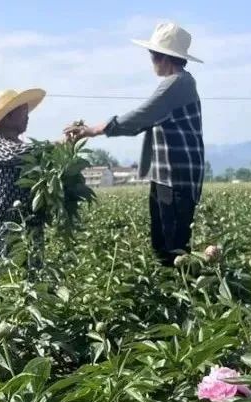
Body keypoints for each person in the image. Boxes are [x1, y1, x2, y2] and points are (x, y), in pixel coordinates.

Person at [66, 22, 203, 266]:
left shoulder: (177, 84)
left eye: (153, 56)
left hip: (176, 179)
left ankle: (181, 296)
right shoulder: (178, 83)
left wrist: (94, 130)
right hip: (166, 176)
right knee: (163, 244)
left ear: (164, 57)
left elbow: (141, 116)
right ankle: (172, 293)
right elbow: (143, 122)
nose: (151, 61)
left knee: (174, 249)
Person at [0, 88, 47, 271]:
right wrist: (56, 145)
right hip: (7, 222)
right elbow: (21, 154)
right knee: (7, 274)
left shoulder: (24, 146)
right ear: (8, 117)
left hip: (30, 222)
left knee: (34, 272)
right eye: (23, 113)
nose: (27, 118)